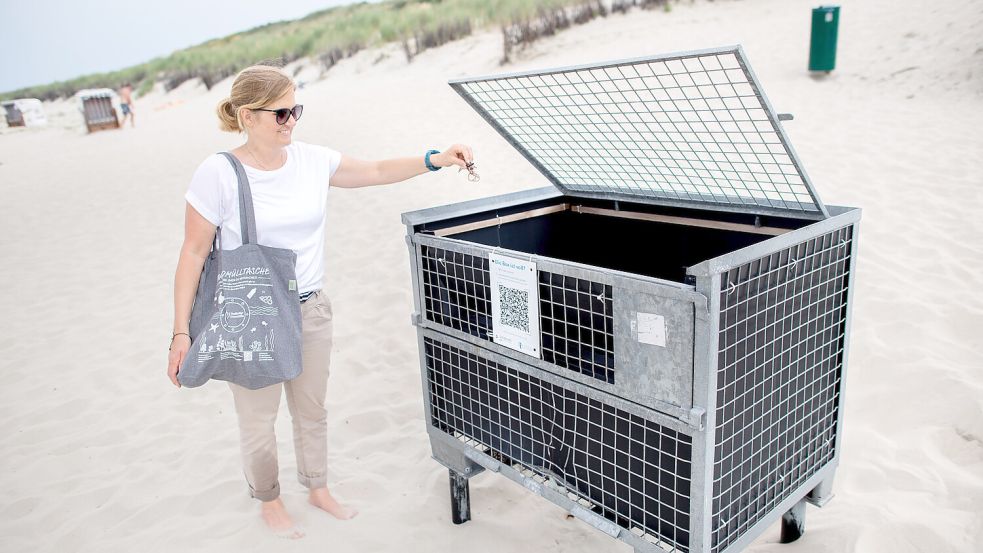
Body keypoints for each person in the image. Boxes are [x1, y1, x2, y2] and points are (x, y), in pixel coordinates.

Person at [165, 64, 474, 539]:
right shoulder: (218, 173)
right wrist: (181, 331)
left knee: (312, 409)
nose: (292, 121)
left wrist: (434, 158)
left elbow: (372, 170)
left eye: (296, 109)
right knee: (258, 418)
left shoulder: (310, 160)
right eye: (281, 112)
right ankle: (268, 499)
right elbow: (192, 252)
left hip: (311, 307)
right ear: (248, 116)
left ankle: (317, 487)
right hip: (250, 313)